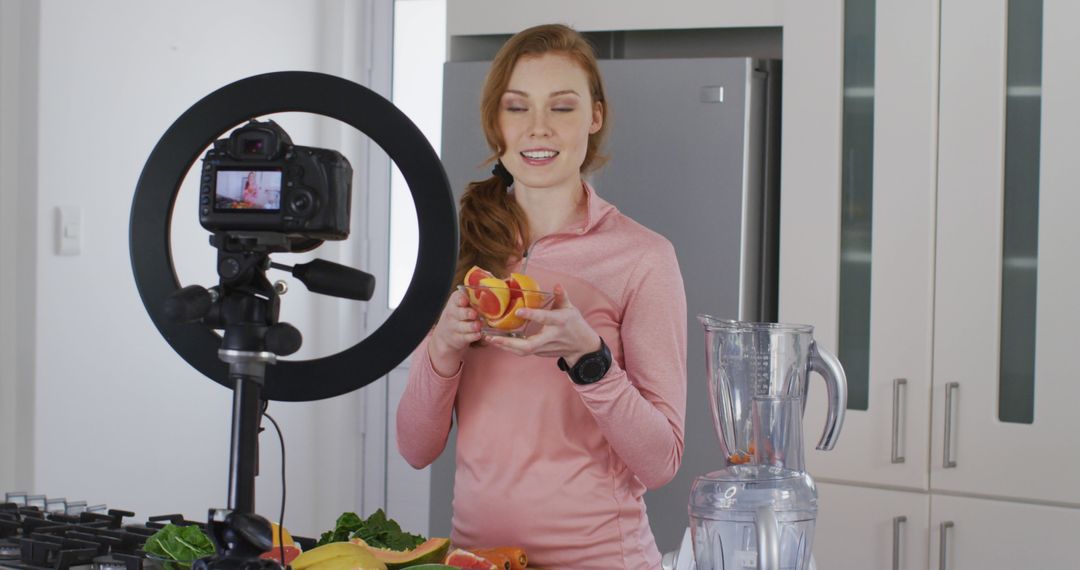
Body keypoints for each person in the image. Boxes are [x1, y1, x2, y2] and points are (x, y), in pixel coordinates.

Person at [396, 23, 687, 570]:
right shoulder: (461, 249)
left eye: (561, 108)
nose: (537, 130)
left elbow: (662, 461)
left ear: (594, 117)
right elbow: (415, 449)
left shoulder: (643, 258)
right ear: (494, 121)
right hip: (477, 558)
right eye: (516, 107)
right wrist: (443, 349)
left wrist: (589, 358)